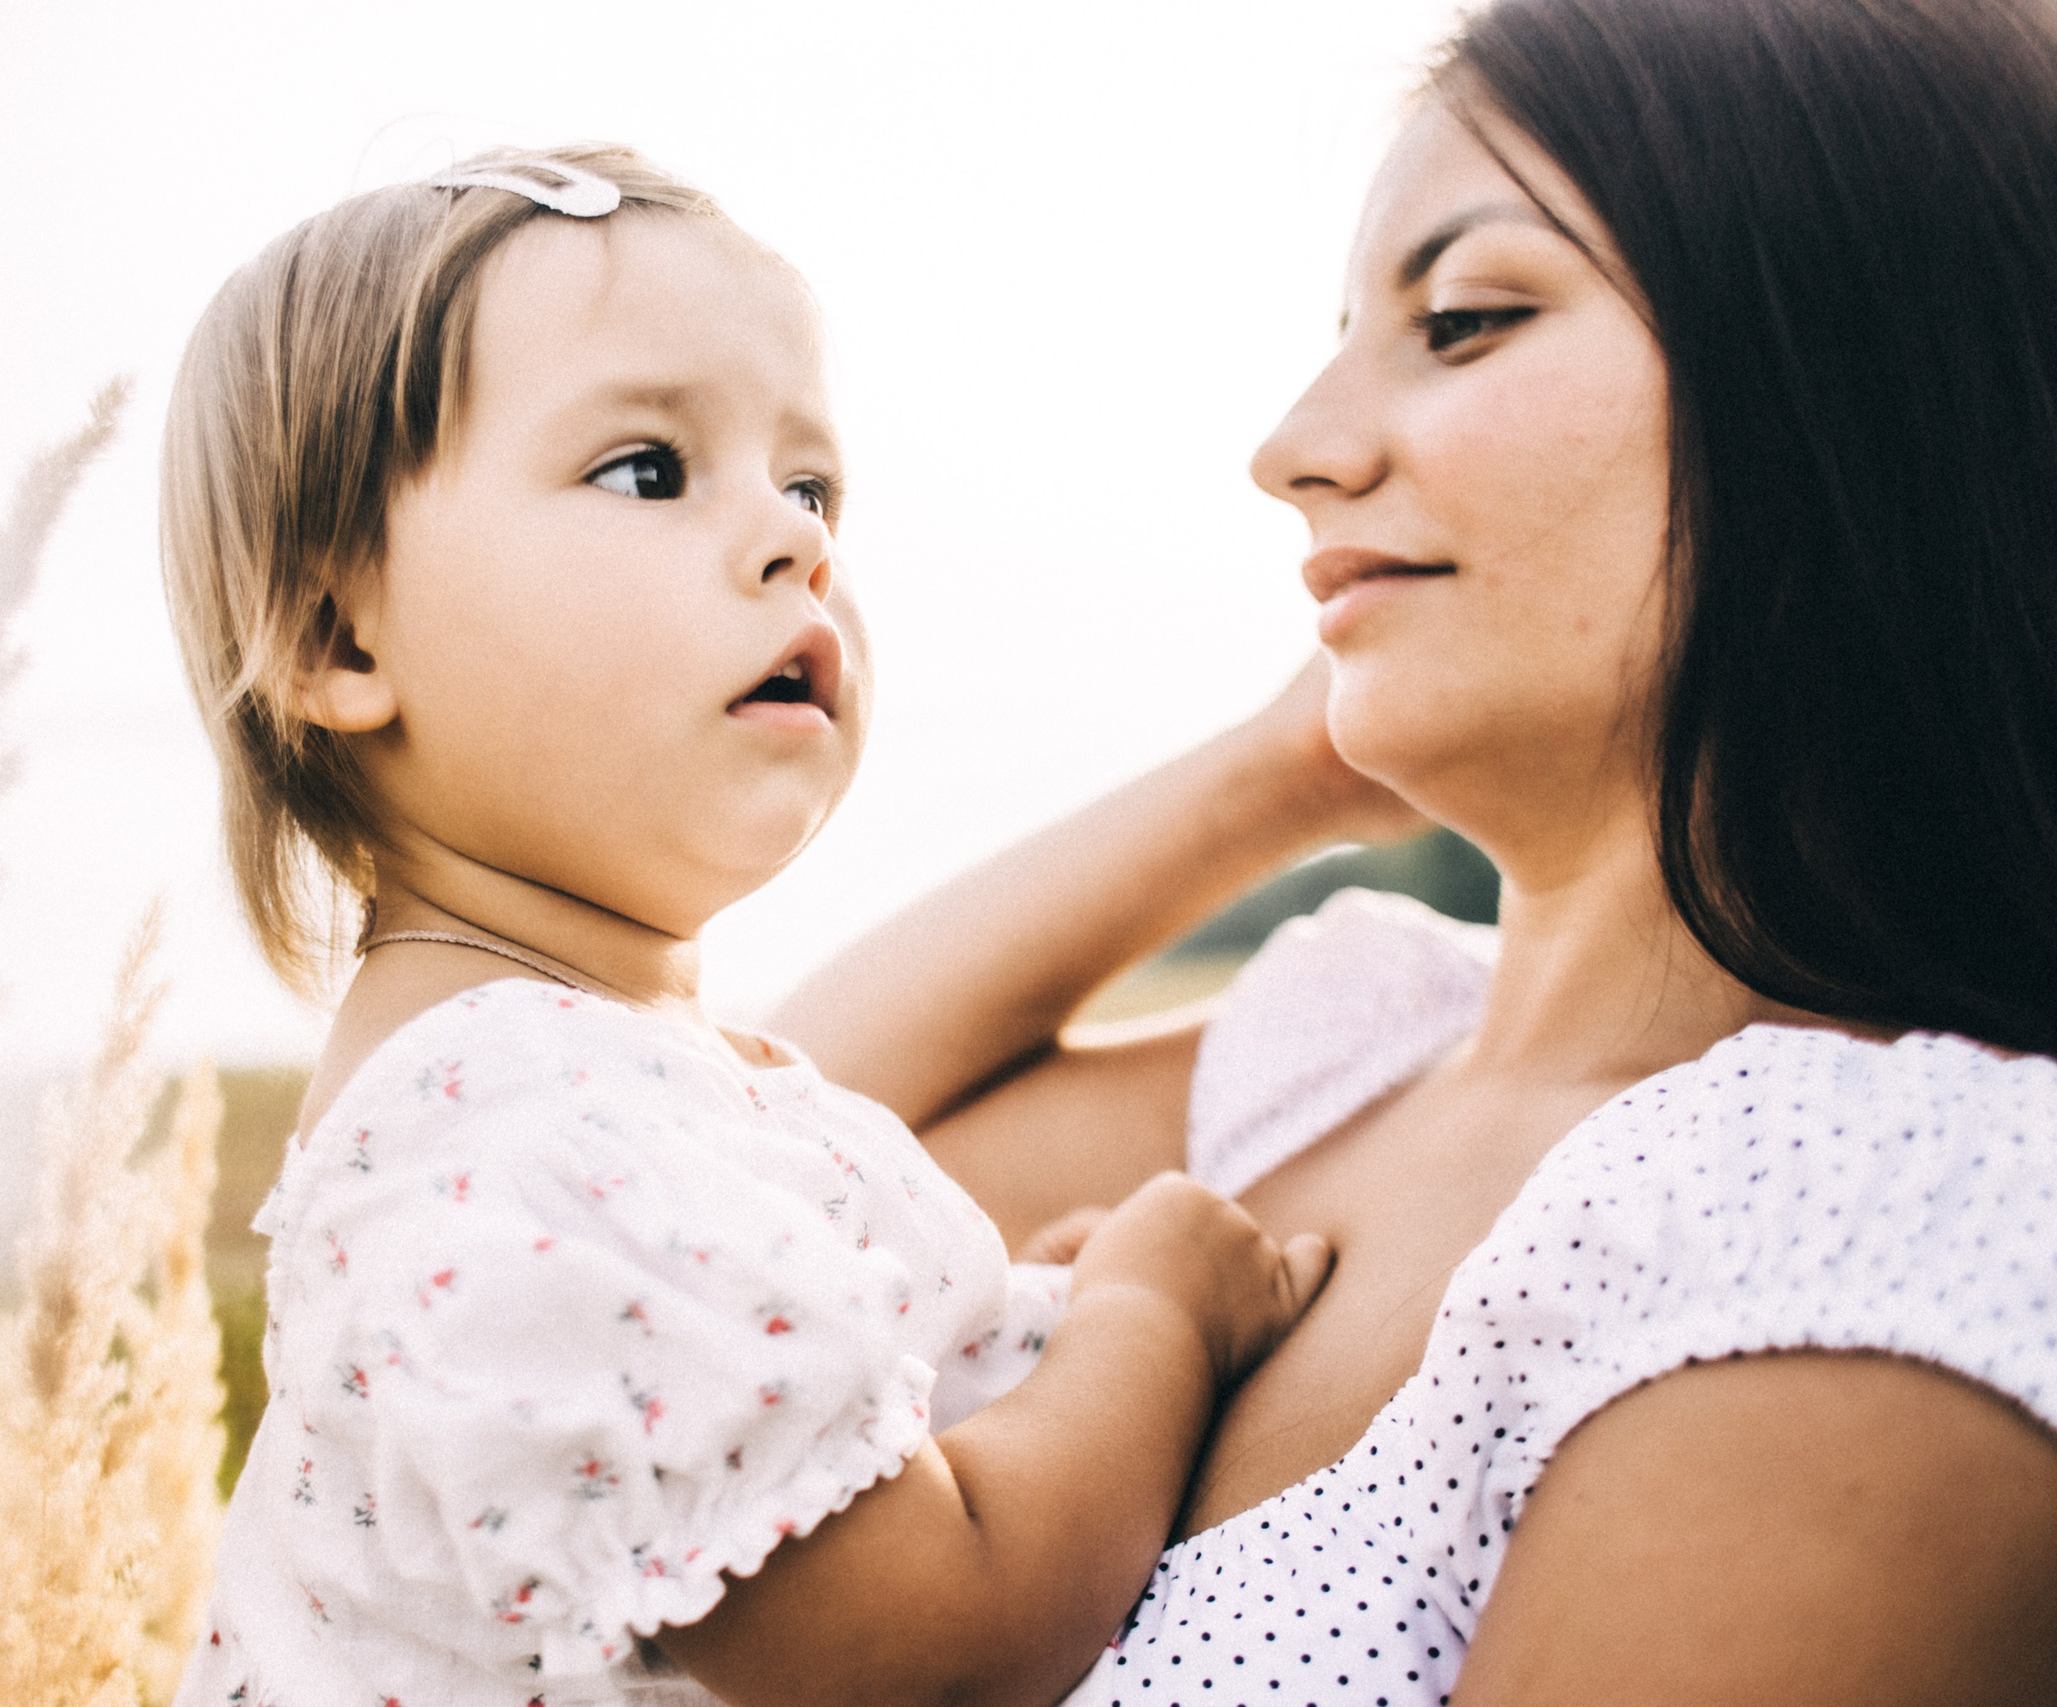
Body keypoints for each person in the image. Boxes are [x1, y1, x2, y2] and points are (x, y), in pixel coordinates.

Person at [773, 1, 2057, 1700]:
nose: (1295, 449)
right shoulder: (1338, 1060)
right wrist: (1277, 770)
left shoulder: (1880, 1214)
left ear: (1862, 373)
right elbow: (744, 1182)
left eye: (1463, 320)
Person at [156, 146, 1332, 1707]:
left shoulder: (587, 1093)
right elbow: (941, 1638)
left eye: (811, 483)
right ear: (335, 635)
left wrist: (1019, 1336)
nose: (797, 543)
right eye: (650, 470)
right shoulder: (530, 1156)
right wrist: (1152, 1319)